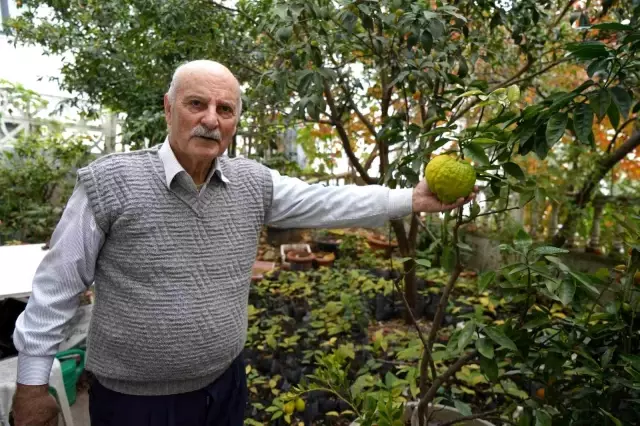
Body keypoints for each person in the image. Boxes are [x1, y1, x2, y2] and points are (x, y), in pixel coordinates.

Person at [10, 60, 477, 426]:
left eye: (225, 109)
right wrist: (32, 386)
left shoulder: (252, 184)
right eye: (197, 104)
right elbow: (57, 288)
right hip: (135, 404)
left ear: (234, 120)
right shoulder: (111, 183)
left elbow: (328, 201)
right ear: (168, 108)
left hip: (225, 387)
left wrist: (411, 198)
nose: (211, 120)